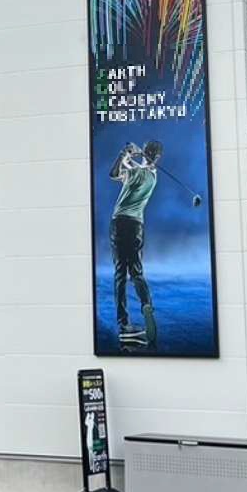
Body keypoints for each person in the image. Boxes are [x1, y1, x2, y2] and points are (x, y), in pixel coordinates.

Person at [109, 140, 160, 346]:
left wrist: (125, 153)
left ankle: (123, 323)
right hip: (137, 226)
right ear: (157, 157)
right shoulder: (152, 177)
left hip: (120, 223)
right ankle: (146, 304)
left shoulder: (135, 172)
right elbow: (129, 171)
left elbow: (113, 174)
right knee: (137, 272)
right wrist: (131, 156)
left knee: (120, 274)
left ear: (145, 152)